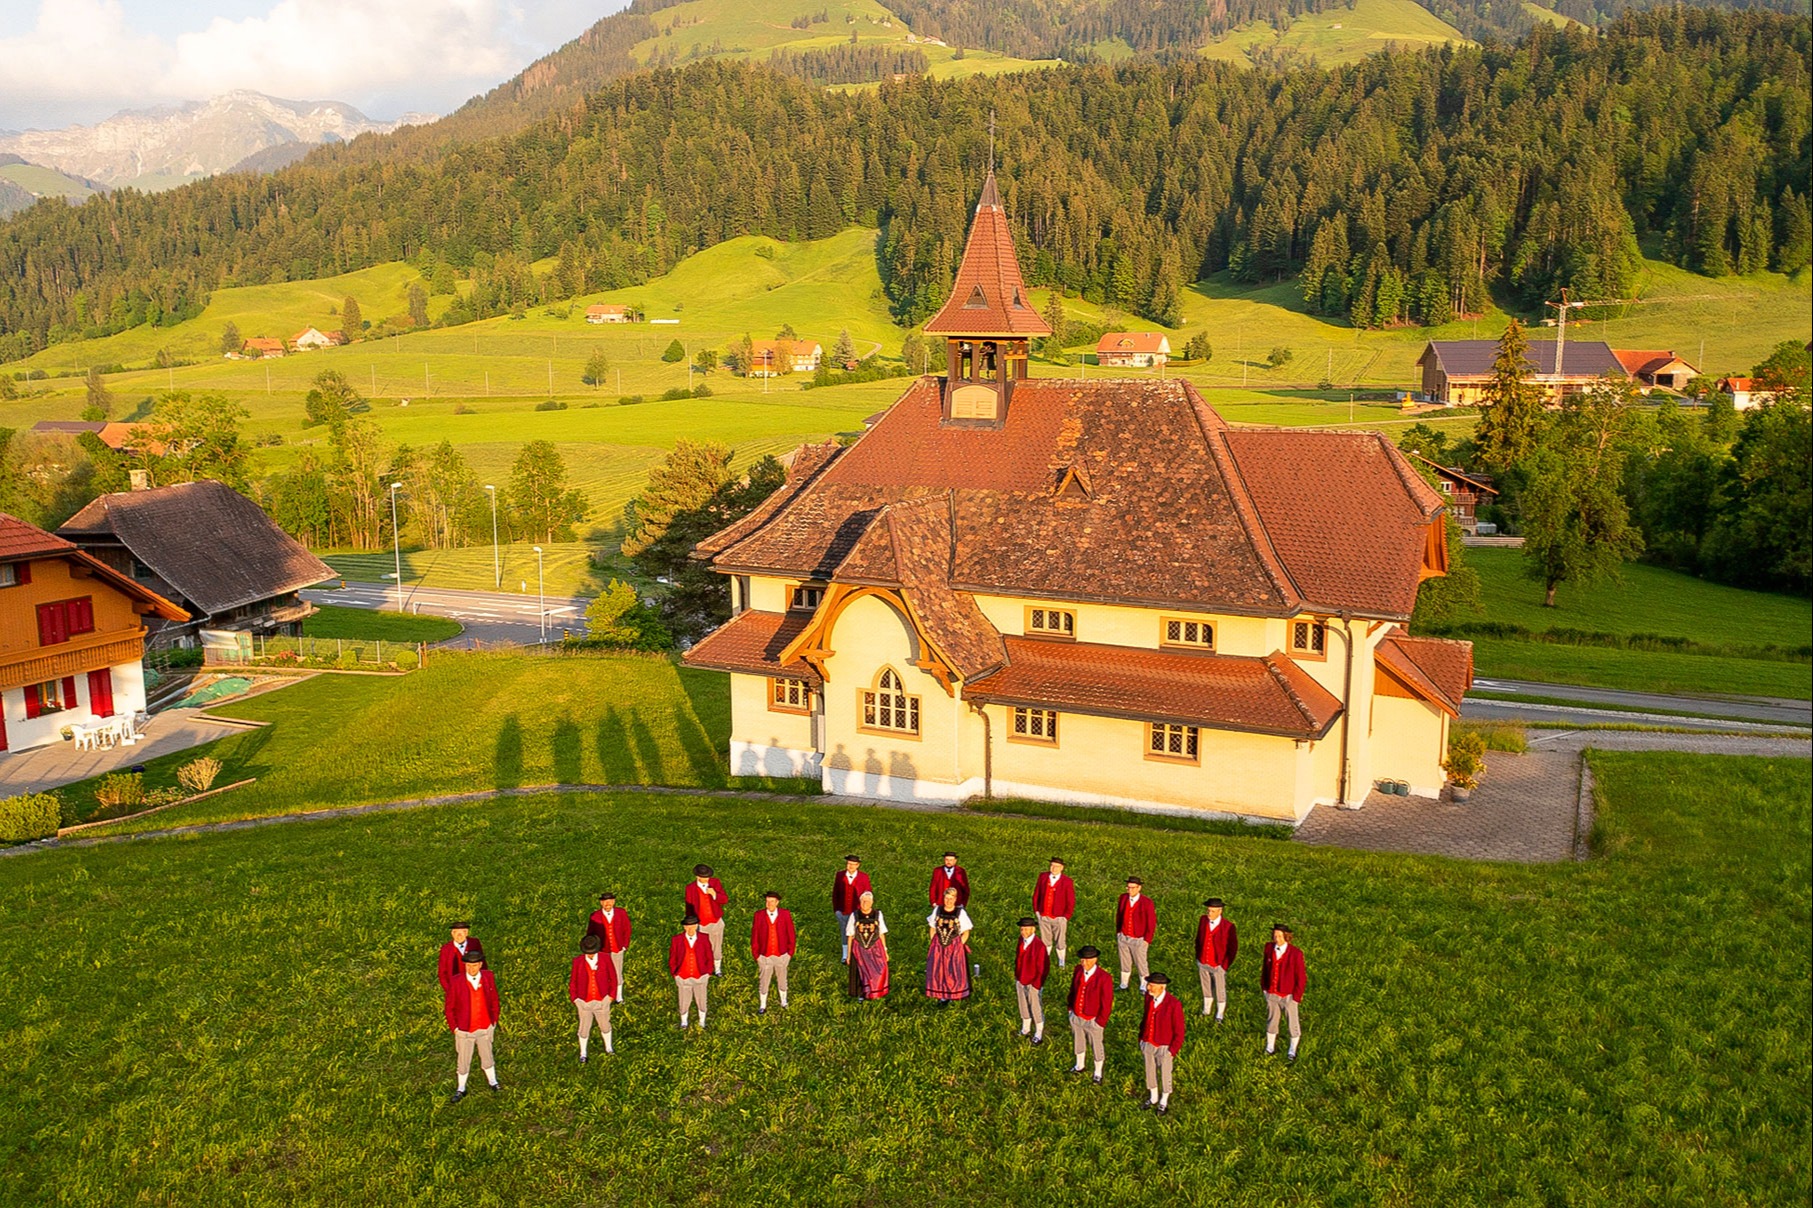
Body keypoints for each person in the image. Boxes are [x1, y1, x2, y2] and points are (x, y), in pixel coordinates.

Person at [445, 949, 500, 1103]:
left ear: (480, 965)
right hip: (464, 1029)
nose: (471, 968)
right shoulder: (456, 981)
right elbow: (449, 1007)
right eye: (468, 966)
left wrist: (493, 1021)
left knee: (487, 1055)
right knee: (463, 1059)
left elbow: (494, 999)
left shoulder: (488, 977)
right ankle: (461, 1088)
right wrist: (455, 1027)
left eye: (474, 965)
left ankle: (493, 1082)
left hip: (484, 1026)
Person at [1138, 972, 1186, 1114]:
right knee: (1150, 1070)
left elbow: (1179, 1030)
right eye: (1148, 984)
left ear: (1162, 987)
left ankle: (1163, 1101)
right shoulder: (1149, 998)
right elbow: (1145, 1018)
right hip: (1148, 1042)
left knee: (1165, 1074)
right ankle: (1153, 1097)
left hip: (1165, 1046)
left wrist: (1172, 1050)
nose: (1148, 988)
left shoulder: (1173, 1004)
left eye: (1151, 985)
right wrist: (1142, 1038)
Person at [1260, 923, 1307, 1062]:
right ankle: (1270, 1047)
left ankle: (1292, 1050)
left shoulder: (1295, 953)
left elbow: (1301, 976)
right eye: (1275, 935)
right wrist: (1264, 988)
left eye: (1280, 936)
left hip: (1288, 995)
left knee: (1292, 1022)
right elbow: (1265, 969)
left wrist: (1296, 997)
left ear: (1286, 937)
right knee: (1272, 1020)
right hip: (1271, 992)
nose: (1277, 938)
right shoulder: (1269, 948)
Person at [1067, 945, 1113, 1084]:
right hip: (1076, 1015)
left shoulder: (1104, 978)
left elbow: (1106, 1002)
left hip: (1093, 1019)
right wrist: (1070, 1009)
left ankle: (1097, 1072)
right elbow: (1073, 989)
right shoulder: (1078, 970)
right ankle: (1079, 1065)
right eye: (1082, 959)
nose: (1084, 963)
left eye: (1087, 960)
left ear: (1094, 960)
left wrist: (1101, 1021)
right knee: (1078, 1040)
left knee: (1096, 1045)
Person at [569, 934, 616, 1062]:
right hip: (584, 1001)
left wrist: (611, 996)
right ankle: (583, 1052)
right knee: (584, 1027)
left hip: (602, 1000)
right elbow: (573, 982)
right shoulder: (578, 962)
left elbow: (613, 977)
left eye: (593, 953)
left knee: (605, 1024)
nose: (590, 955)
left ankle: (609, 1048)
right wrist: (575, 999)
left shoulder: (605, 959)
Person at [925, 885, 974, 1004]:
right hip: (939, 945)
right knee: (939, 968)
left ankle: (953, 993)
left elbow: (966, 932)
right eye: (947, 898)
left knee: (953, 969)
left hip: (954, 944)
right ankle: (941, 994)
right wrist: (934, 943)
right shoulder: (937, 910)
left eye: (951, 898)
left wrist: (959, 945)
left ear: (955, 899)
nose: (949, 901)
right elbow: (932, 927)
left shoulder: (960, 912)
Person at [750, 890, 797, 1013]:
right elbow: (754, 936)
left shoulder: (785, 914)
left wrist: (789, 953)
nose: (769, 904)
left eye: (772, 901)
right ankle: (763, 1004)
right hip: (765, 955)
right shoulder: (759, 915)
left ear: (777, 902)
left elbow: (791, 934)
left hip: (781, 954)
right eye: (767, 901)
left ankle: (783, 1001)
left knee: (782, 978)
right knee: (764, 979)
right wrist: (757, 955)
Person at [1193, 897, 1239, 1022]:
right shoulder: (1203, 921)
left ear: (1220, 911)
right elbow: (1199, 938)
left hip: (1218, 963)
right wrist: (1198, 956)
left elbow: (1232, 948)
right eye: (1208, 911)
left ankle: (1219, 1013)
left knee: (1219, 988)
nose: (1209, 914)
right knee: (1206, 986)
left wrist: (1224, 965)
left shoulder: (1228, 926)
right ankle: (1206, 1009)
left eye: (1212, 911)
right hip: (1203, 961)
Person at [669, 911, 713, 1032]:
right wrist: (675, 974)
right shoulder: (677, 940)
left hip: (700, 975)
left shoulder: (704, 938)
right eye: (688, 926)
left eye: (693, 926)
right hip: (683, 975)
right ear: (684, 927)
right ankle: (684, 1022)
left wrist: (708, 972)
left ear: (697, 926)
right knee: (683, 999)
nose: (690, 929)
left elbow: (709, 956)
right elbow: (673, 958)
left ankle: (702, 1021)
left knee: (701, 998)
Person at [585, 892, 631, 1003]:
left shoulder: (621, 913)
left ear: (614, 902)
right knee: (602, 972)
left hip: (617, 948)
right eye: (605, 902)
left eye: (610, 901)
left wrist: (624, 945)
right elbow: (590, 933)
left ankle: (619, 997)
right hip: (603, 949)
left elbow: (627, 929)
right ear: (601, 903)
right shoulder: (595, 916)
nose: (608, 904)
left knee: (617, 972)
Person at [845, 890, 890, 1001]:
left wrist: (885, 949)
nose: (865, 904)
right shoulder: (855, 915)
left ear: (872, 902)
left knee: (879, 969)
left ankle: (876, 991)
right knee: (861, 971)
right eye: (863, 901)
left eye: (868, 901)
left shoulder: (877, 915)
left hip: (875, 947)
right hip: (859, 947)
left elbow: (881, 933)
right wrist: (849, 954)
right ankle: (862, 994)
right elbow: (850, 935)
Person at [1115, 876, 1157, 994]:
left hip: (1139, 939)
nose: (1130, 890)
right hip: (1124, 936)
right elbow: (1119, 915)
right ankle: (1124, 984)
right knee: (1124, 961)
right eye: (1128, 888)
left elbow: (1151, 922)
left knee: (1141, 963)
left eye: (1133, 888)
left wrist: (1146, 940)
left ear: (1139, 888)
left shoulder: (1146, 903)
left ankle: (1143, 986)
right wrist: (1119, 932)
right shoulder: (1123, 898)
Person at [1032, 858, 1075, 968]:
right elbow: (1037, 893)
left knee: (1060, 940)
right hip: (1043, 914)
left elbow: (1070, 900)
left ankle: (1061, 960)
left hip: (1059, 916)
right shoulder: (1043, 877)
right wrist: (1037, 910)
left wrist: (1066, 916)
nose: (1053, 868)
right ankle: (1045, 959)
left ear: (1062, 868)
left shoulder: (1067, 881)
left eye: (1056, 866)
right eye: (1052, 865)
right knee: (1045, 939)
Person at [685, 864, 728, 976]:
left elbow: (724, 899)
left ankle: (718, 969)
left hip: (715, 921)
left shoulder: (715, 883)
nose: (706, 880)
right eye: (704, 877)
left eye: (707, 877)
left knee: (717, 947)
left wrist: (714, 894)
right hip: (701, 924)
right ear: (697, 877)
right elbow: (689, 907)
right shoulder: (690, 889)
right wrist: (690, 923)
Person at [1013, 915, 1050, 1044]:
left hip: (1033, 982)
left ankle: (1039, 1032)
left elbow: (1043, 967)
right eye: (1022, 929)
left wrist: (1037, 984)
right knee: (1023, 1004)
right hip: (1021, 978)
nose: (1024, 932)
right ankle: (1026, 1028)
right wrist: (1017, 975)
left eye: (1027, 929)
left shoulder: (1039, 946)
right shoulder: (1021, 941)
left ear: (1033, 930)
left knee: (1035, 1006)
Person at [831, 855, 871, 962]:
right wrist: (836, 910)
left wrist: (865, 909)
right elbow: (835, 893)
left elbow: (868, 894)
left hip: (857, 911)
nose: (850, 866)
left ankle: (859, 953)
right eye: (849, 864)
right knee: (844, 931)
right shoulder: (840, 875)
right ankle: (845, 954)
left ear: (858, 866)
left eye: (853, 865)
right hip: (843, 910)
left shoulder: (863, 877)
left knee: (858, 931)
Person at [438, 922, 483, 998]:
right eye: (455, 933)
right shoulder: (446, 949)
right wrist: (450, 990)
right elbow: (442, 973)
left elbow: (482, 963)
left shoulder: (474, 943)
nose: (459, 936)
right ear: (452, 933)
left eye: (462, 933)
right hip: (456, 986)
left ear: (466, 933)